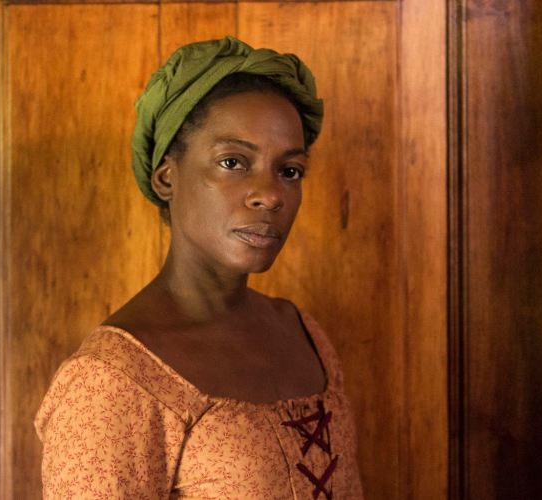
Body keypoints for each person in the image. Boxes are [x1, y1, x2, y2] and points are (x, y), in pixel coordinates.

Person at [34, 36, 363, 499]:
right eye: (233, 162)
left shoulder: (304, 333)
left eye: (289, 171)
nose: (270, 195)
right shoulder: (112, 383)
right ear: (166, 177)